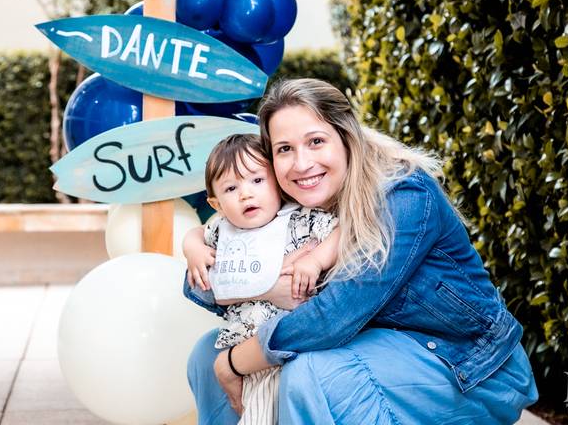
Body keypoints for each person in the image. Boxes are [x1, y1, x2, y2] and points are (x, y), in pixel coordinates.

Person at [183, 78, 538, 424]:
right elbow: (198, 284)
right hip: (372, 347)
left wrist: (232, 363)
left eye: (316, 141)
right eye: (285, 149)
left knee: (312, 376)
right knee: (205, 353)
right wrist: (203, 245)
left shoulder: (405, 196)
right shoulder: (293, 197)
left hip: (468, 364)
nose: (302, 163)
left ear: (346, 138)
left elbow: (334, 317)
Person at [185, 133, 339, 424]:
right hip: (244, 350)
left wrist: (315, 260)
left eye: (257, 181)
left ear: (277, 184)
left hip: (289, 344)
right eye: (231, 188)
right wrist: (192, 248)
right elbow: (196, 234)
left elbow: (342, 232)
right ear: (216, 205)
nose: (246, 193)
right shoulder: (223, 229)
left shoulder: (299, 220)